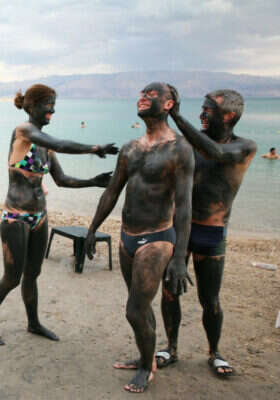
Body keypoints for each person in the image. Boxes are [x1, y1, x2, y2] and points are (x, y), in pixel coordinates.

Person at [0, 84, 118, 348]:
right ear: (32, 106)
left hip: (39, 217)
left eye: (54, 105)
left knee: (33, 274)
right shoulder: (23, 132)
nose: (52, 110)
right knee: (12, 278)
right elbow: (61, 143)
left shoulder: (45, 148)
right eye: (48, 105)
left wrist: (93, 181)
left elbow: (62, 180)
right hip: (16, 218)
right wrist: (94, 147)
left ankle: (33, 323)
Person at [84, 82, 194, 393]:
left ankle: (147, 367)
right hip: (127, 237)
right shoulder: (130, 148)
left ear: (169, 104)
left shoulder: (180, 149)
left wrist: (180, 258)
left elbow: (185, 206)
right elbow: (112, 192)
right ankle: (148, 357)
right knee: (142, 308)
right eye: (141, 94)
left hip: (157, 238)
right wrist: (92, 229)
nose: (143, 98)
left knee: (134, 310)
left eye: (151, 95)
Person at [160, 89, 257, 378]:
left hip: (211, 232)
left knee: (210, 300)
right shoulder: (189, 143)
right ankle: (171, 348)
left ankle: (214, 352)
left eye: (208, 109)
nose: (202, 114)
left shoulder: (245, 147)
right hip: (179, 227)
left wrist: (177, 116)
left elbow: (214, 152)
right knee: (169, 291)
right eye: (201, 108)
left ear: (229, 116)